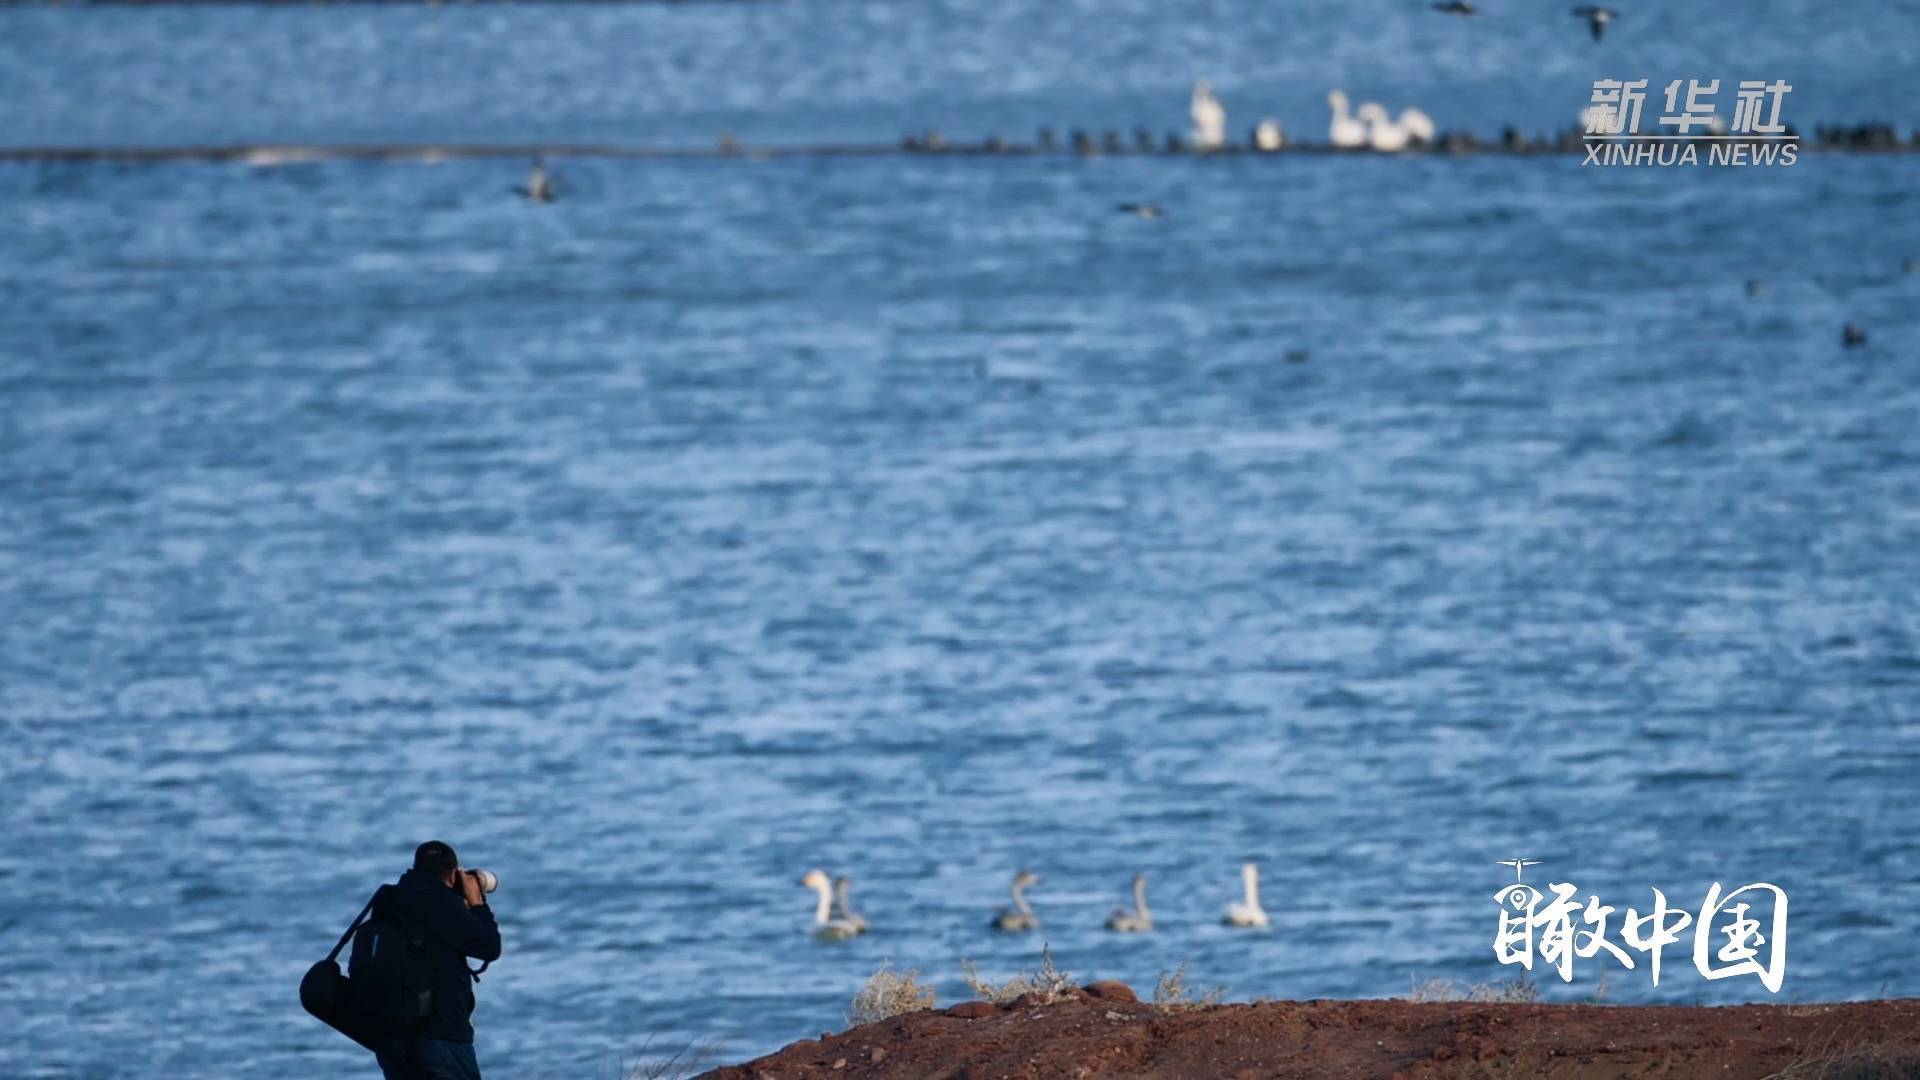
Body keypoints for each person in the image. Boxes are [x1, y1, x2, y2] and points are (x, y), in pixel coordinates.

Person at [372, 841, 502, 1080]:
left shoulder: (389, 899)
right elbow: (490, 947)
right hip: (440, 1037)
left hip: (391, 1038)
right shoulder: (442, 904)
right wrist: (477, 904)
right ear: (453, 875)